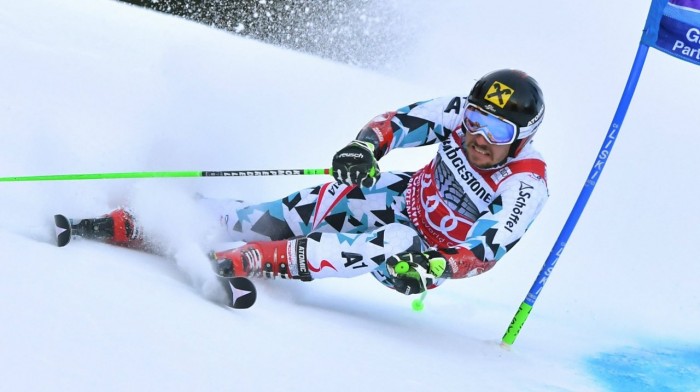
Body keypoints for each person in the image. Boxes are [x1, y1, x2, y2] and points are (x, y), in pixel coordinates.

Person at [67, 69, 548, 296]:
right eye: (475, 118)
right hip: (399, 196)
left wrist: (439, 269)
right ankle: (171, 216)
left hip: (418, 254)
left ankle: (250, 261)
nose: (479, 136)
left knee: (394, 239)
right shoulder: (459, 119)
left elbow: (486, 251)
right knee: (297, 212)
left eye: (499, 131)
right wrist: (365, 149)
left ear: (521, 136)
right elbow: (398, 123)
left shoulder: (525, 183)